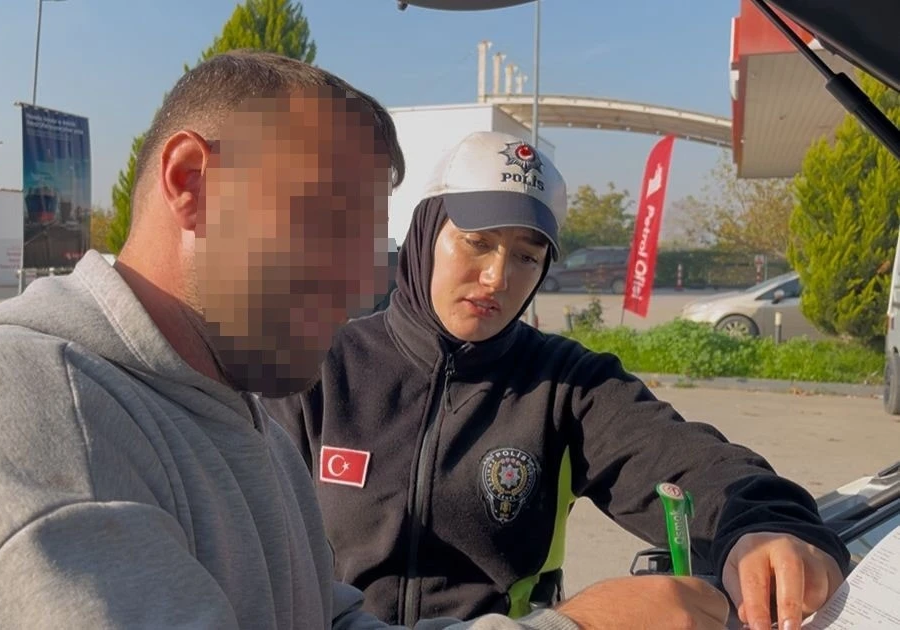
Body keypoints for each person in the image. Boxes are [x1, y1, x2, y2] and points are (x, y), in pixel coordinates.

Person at [0, 53, 729, 630]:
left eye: (368, 236)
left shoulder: (241, 414)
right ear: (191, 182)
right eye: (326, 220)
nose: (360, 279)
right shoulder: (20, 409)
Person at [258, 130, 850, 630]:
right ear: (425, 234)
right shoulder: (321, 367)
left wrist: (765, 524)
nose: (497, 277)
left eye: (526, 255)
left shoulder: (567, 384)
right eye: (477, 242)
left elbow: (693, 465)